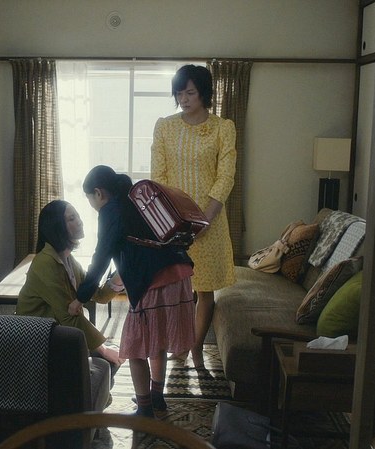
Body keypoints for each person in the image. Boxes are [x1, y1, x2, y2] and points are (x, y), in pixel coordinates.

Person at [72, 165, 195, 417]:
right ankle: (157, 397)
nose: (91, 205)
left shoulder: (111, 210)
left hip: (154, 279)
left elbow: (101, 256)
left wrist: (81, 297)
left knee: (136, 347)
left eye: (89, 199)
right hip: (180, 273)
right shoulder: (136, 202)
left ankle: (144, 409)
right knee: (158, 340)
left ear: (98, 193)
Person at [151, 64, 237, 368]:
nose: (183, 99)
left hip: (210, 221)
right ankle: (179, 346)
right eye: (179, 93)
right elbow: (159, 176)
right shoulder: (165, 127)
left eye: (190, 92)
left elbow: (225, 177)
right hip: (174, 222)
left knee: (204, 289)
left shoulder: (223, 128)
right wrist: (173, 220)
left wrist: (205, 219)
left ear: (204, 93)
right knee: (175, 288)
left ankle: (196, 346)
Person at [16, 199, 124, 367]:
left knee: (111, 357)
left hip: (55, 328)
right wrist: (103, 349)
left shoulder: (68, 259)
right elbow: (69, 316)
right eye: (71, 219)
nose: (79, 221)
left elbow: (98, 295)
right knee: (108, 358)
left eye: (77, 216)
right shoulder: (46, 263)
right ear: (57, 227)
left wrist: (122, 273)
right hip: (36, 337)